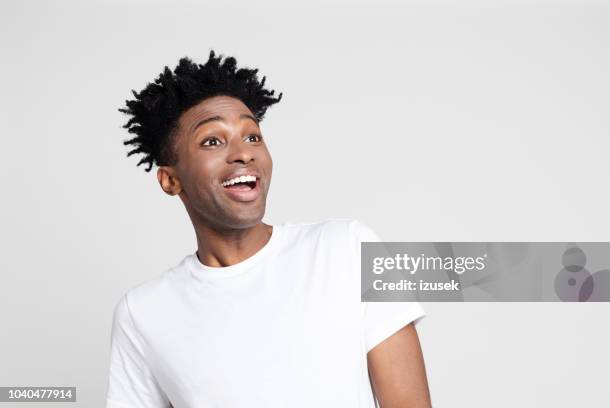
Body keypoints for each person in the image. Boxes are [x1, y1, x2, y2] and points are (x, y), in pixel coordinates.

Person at [106, 50, 431, 408]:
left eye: (253, 136)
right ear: (171, 180)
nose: (244, 153)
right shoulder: (142, 313)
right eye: (212, 141)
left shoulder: (348, 248)